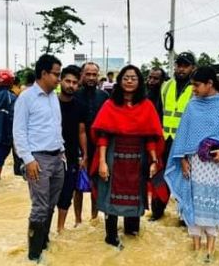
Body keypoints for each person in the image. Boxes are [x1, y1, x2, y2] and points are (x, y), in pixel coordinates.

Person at [164, 66, 219, 262]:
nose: (193, 89)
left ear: (210, 84)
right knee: (193, 203)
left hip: (217, 166)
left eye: (197, 85)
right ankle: (195, 248)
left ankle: (209, 251)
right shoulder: (192, 106)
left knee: (212, 206)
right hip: (194, 165)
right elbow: (183, 136)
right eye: (192, 85)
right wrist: (183, 160)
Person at [89, 65, 164, 248]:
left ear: (139, 82)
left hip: (138, 159)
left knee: (135, 197)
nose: (129, 81)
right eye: (126, 78)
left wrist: (154, 161)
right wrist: (102, 163)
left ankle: (132, 237)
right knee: (109, 196)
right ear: (120, 81)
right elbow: (103, 136)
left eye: (134, 78)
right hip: (113, 156)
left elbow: (151, 137)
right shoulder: (110, 105)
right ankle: (111, 238)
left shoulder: (146, 106)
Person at [12, 54, 66, 262]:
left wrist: (62, 153)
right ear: (44, 73)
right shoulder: (26, 98)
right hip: (38, 160)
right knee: (40, 206)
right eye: (56, 74)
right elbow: (19, 132)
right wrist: (28, 159)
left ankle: (44, 243)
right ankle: (33, 255)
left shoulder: (53, 96)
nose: (58, 79)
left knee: (50, 205)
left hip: (56, 158)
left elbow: (54, 127)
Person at [151, 51, 196, 222]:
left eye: (185, 65)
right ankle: (157, 213)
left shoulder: (196, 88)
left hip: (186, 142)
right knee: (160, 176)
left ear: (193, 68)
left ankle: (184, 217)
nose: (181, 69)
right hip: (164, 140)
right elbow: (157, 112)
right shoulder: (166, 86)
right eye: (178, 65)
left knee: (185, 178)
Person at [73, 62, 108, 223]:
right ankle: (78, 220)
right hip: (76, 147)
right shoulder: (74, 95)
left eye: (94, 74)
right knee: (77, 186)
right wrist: (82, 153)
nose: (91, 78)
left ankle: (94, 218)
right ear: (82, 75)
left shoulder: (104, 97)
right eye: (88, 74)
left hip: (99, 147)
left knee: (96, 185)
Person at [56, 65, 88, 232]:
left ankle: (60, 228)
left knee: (67, 192)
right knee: (48, 195)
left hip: (71, 155)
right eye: (67, 81)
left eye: (75, 82)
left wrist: (85, 154)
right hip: (51, 155)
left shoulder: (79, 105)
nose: (71, 85)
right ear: (60, 81)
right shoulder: (51, 103)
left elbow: (82, 131)